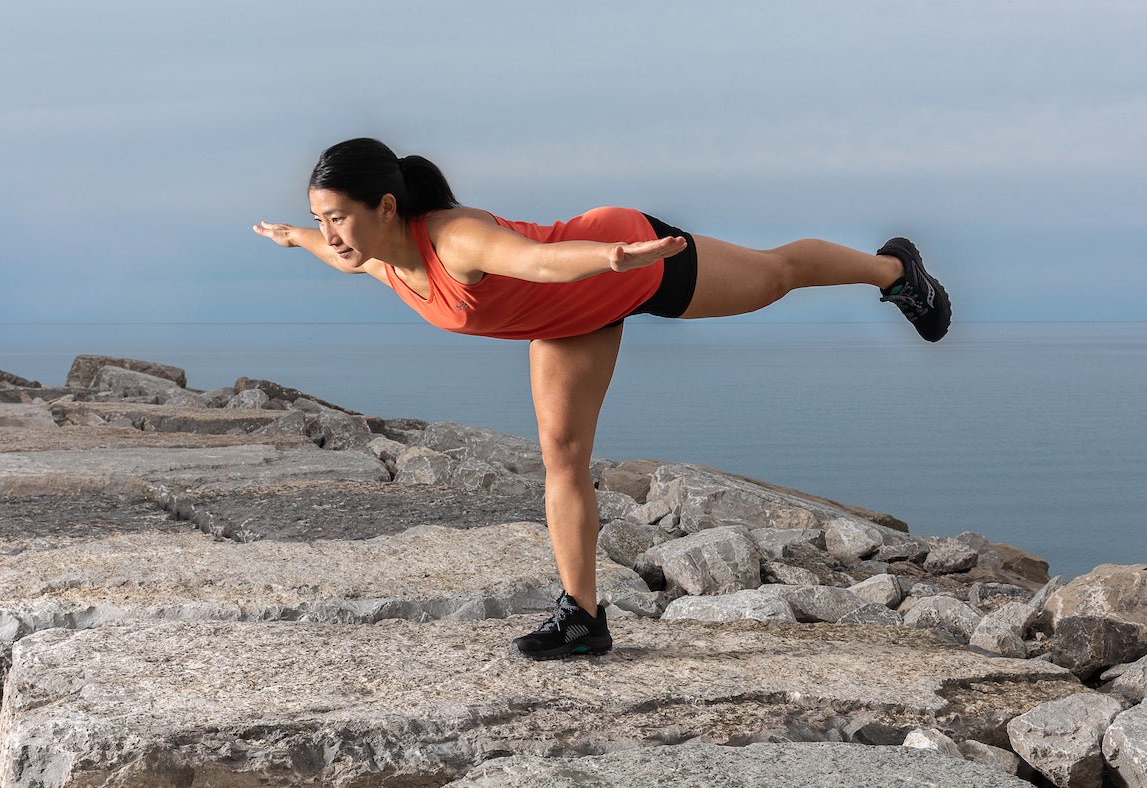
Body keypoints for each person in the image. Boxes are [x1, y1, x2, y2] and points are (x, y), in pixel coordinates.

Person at [254, 137, 950, 660]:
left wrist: (611, 257)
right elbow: (328, 251)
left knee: (773, 276)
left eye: (339, 218)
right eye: (321, 218)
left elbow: (533, 262)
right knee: (562, 455)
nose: (332, 233)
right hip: (567, 321)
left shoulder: (455, 239)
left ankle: (895, 271)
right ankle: (583, 618)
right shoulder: (376, 257)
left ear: (384, 207)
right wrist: (293, 238)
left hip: (626, 258)